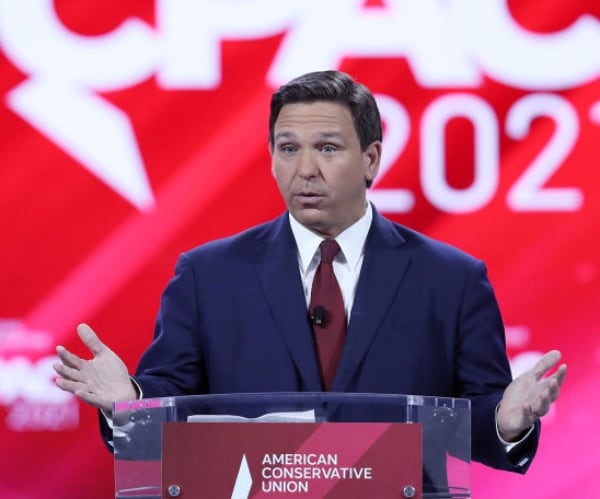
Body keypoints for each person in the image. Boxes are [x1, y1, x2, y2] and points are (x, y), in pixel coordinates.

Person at [53, 70, 566, 476]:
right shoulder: (207, 276)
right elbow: (171, 411)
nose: (305, 169)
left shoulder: (451, 280)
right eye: (288, 148)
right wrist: (130, 402)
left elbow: (474, 421)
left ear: (371, 160)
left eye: (327, 148)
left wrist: (506, 420)